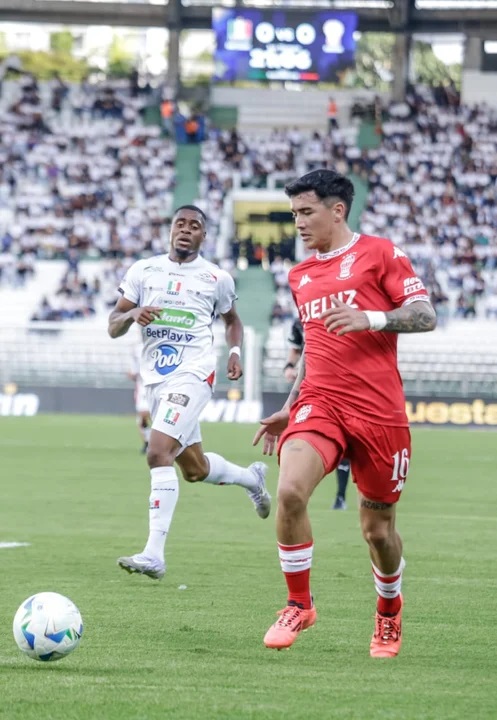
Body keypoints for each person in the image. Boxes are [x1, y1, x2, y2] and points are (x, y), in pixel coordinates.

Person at [253, 169, 436, 657]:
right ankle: (299, 604)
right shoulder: (300, 275)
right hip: (321, 403)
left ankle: (389, 609)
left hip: (378, 412)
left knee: (378, 532)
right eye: (294, 213)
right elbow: (313, 346)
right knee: (289, 491)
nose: (298, 223)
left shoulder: (381, 253)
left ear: (337, 210)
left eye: (306, 212)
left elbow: (425, 314)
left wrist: (370, 318)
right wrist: (289, 407)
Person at [108, 204, 271, 581]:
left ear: (203, 235)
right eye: (179, 223)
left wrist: (234, 352)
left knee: (157, 452)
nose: (185, 229)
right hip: (156, 379)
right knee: (195, 470)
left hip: (194, 374)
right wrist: (131, 315)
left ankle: (154, 554)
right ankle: (252, 479)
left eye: (194, 226)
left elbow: (232, 321)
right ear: (170, 230)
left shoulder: (216, 278)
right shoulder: (143, 271)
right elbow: (113, 324)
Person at [283, 316, 350, 510]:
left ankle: (340, 496)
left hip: (339, 387)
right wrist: (289, 367)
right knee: (302, 436)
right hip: (309, 391)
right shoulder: (299, 321)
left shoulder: (336, 316)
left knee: (344, 440)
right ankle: (295, 492)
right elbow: (296, 348)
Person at [128, 341, 152, 454]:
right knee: (143, 415)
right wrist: (132, 374)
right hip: (142, 387)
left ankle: (158, 441)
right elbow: (133, 372)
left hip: (158, 385)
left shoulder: (159, 342)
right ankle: (147, 442)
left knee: (156, 416)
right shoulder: (136, 349)